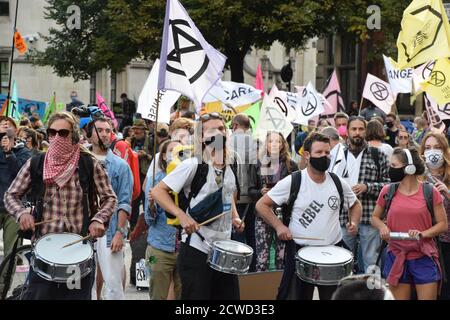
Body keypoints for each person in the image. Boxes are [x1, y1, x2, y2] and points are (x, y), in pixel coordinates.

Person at [4, 112, 117, 300]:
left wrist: (99, 219)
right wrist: (22, 214)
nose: (57, 138)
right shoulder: (37, 163)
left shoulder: (89, 164)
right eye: (52, 132)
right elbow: (11, 195)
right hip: (43, 251)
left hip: (79, 251)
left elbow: (110, 198)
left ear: (73, 135)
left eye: (63, 133)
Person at [256, 132, 361, 300]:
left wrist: (354, 222)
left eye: (327, 153)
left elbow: (355, 204)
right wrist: (279, 226)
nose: (324, 156)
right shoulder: (294, 181)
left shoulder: (337, 182)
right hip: (300, 252)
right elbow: (261, 205)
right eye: (319, 153)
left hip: (332, 252)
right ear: (307, 154)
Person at [151, 112, 245, 300]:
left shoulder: (231, 164)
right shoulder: (193, 164)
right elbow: (157, 192)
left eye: (221, 129)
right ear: (201, 136)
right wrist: (183, 216)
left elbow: (227, 195)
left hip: (224, 249)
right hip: (197, 248)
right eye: (212, 130)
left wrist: (234, 216)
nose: (219, 133)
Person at [371, 148, 447, 300]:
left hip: (424, 257)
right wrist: (382, 227)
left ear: (409, 168)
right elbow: (374, 217)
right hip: (396, 256)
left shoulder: (430, 192)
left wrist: (422, 234)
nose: (390, 169)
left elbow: (443, 224)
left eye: (394, 165)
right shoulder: (388, 190)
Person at [86, 117, 133, 300]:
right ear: (89, 135)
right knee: (84, 286)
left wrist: (120, 233)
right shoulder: (80, 161)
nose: (105, 134)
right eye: (100, 130)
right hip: (84, 231)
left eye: (108, 130)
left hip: (110, 230)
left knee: (113, 286)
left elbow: (124, 202)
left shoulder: (121, 166)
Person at [335, 116, 390, 273]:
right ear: (348, 131)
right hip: (343, 217)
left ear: (366, 131)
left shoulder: (377, 154)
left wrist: (368, 187)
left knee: (372, 262)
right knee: (342, 261)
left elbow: (389, 186)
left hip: (369, 216)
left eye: (361, 129)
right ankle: (344, 293)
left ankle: (373, 294)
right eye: (354, 129)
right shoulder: (339, 155)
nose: (357, 132)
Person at [250, 131, 298, 271]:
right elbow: (250, 190)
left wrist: (283, 194)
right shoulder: (258, 164)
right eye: (271, 141)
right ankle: (262, 289)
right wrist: (260, 192)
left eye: (278, 141)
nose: (274, 144)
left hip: (284, 215)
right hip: (262, 215)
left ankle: (280, 288)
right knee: (262, 258)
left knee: (281, 256)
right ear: (266, 144)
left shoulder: (291, 165)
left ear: (283, 144)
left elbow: (297, 190)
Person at [145, 140, 182, 300]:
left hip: (185, 249)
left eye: (179, 151)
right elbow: (148, 219)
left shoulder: (191, 179)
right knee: (157, 295)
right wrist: (152, 204)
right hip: (158, 249)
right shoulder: (155, 180)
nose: (175, 154)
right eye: (171, 151)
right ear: (163, 156)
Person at [0, 116, 31, 295]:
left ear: (16, 129)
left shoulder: (23, 152)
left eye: (9, 123)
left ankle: (1, 291)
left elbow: (22, 175)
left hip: (13, 209)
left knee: (10, 256)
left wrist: (9, 153)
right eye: (2, 123)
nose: (5, 126)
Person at [419, 132, 450, 299]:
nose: (433, 151)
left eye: (437, 148)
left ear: (444, 150)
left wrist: (448, 193)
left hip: (446, 244)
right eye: (428, 148)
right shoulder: (416, 177)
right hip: (423, 245)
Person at [229, 114, 258, 267]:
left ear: (234, 126)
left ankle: (238, 270)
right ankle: (252, 272)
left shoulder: (227, 142)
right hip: (254, 196)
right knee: (251, 236)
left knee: (237, 236)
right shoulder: (257, 142)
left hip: (235, 197)